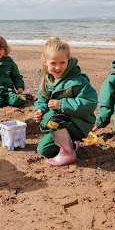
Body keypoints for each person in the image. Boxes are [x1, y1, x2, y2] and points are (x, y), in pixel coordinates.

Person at [33, 37, 97, 166]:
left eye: (62, 62)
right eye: (53, 63)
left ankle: (68, 154)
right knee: (44, 149)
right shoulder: (46, 82)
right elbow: (42, 101)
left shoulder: (77, 81)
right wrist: (39, 110)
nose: (58, 67)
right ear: (45, 62)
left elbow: (89, 103)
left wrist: (61, 104)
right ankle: (71, 145)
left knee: (51, 119)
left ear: (68, 60)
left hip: (79, 123)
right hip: (61, 125)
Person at [0, 36, 27, 108]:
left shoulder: (9, 61)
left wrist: (19, 86)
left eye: (1, 49)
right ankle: (3, 101)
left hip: (8, 89)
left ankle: (24, 97)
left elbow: (17, 76)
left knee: (16, 101)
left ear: (5, 49)